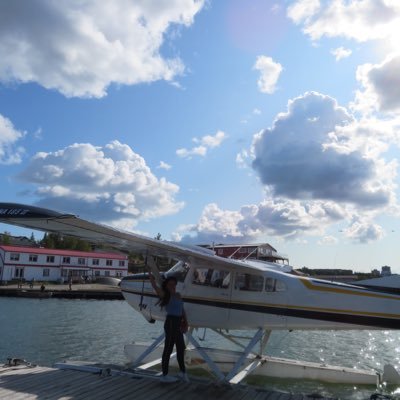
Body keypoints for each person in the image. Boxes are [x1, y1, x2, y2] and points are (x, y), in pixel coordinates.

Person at [149, 273, 189, 383]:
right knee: (169, 348)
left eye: (174, 284)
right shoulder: (165, 295)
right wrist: (151, 277)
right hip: (171, 322)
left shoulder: (178, 295)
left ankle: (182, 372)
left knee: (181, 347)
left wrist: (185, 321)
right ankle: (165, 375)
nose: (173, 286)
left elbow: (182, 309)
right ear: (166, 285)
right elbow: (155, 287)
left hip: (178, 322)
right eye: (170, 284)